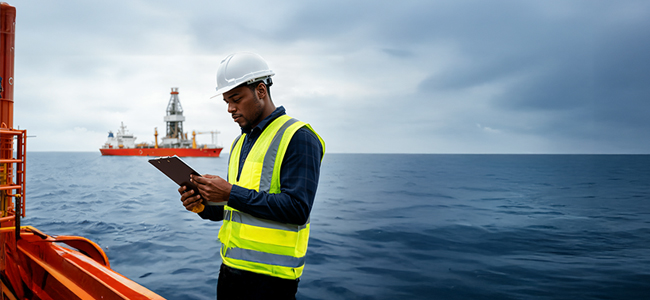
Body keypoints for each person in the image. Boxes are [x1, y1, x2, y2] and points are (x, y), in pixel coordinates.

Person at [178, 52, 325, 300]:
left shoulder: (298, 137)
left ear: (260, 90)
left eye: (235, 99)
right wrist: (202, 205)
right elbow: (232, 209)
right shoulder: (239, 143)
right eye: (226, 101)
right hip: (230, 274)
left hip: (271, 282)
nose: (229, 108)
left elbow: (298, 209)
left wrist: (229, 192)